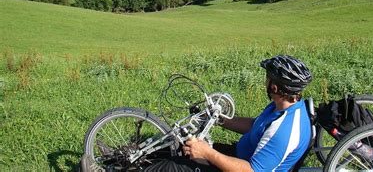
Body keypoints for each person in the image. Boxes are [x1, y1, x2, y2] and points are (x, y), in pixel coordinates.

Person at [81, 55, 313, 172]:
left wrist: (208, 153)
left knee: (171, 167)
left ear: (275, 87)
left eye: (268, 77)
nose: (266, 80)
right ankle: (114, 159)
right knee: (179, 146)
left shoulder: (285, 131)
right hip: (240, 155)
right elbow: (256, 125)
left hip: (242, 167)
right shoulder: (285, 107)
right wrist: (221, 120)